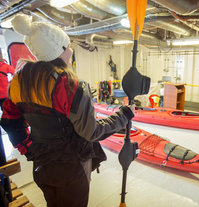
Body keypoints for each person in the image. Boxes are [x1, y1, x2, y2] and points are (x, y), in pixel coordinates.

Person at [0, 14, 135, 207]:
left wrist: (28, 148)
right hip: (71, 168)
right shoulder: (69, 85)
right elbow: (91, 131)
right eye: (68, 45)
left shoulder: (19, 81)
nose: (71, 49)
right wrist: (124, 114)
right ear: (60, 50)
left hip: (41, 164)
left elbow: (10, 121)